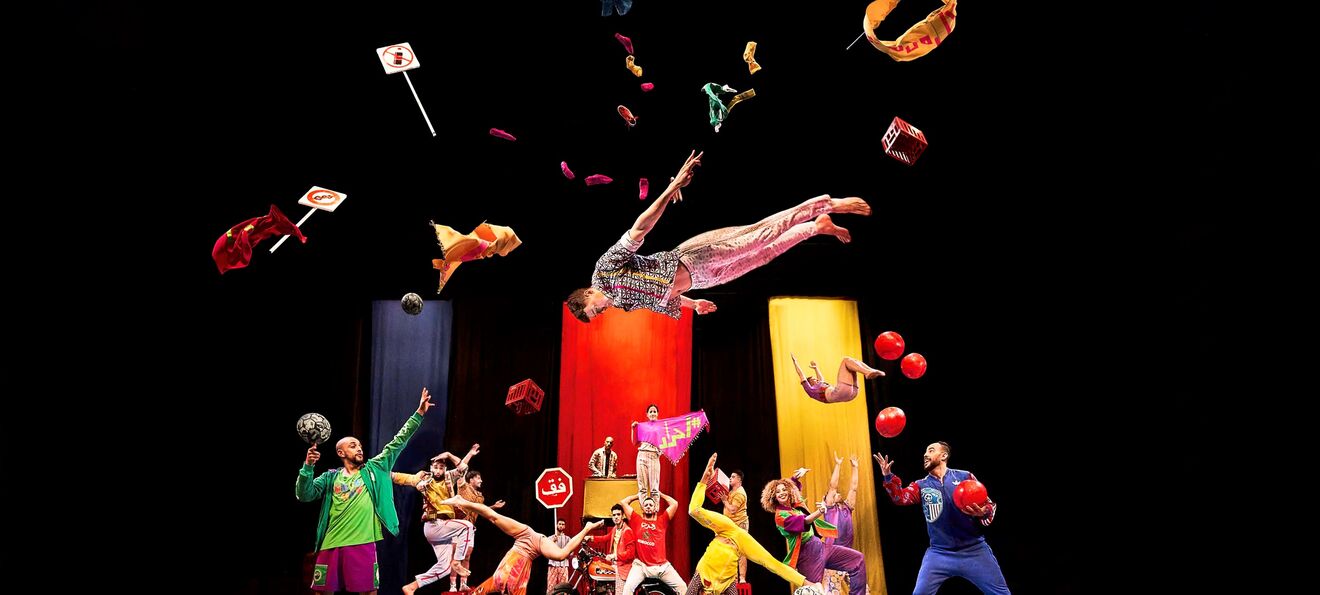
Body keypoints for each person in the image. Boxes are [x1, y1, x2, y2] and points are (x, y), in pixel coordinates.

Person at [566, 150, 872, 322]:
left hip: (694, 258)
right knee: (764, 255)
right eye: (597, 315)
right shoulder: (620, 301)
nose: (601, 312)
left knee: (761, 235)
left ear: (588, 294)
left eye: (595, 310)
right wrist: (694, 304)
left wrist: (671, 188)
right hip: (703, 280)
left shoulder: (605, 268)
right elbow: (662, 296)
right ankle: (816, 227)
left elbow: (640, 228)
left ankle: (827, 204)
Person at [296, 387, 434, 594]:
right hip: (330, 542)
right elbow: (304, 495)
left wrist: (419, 413)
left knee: (368, 592)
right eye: (353, 446)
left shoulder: (375, 468)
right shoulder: (330, 477)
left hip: (362, 542)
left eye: (360, 445)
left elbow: (398, 441)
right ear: (341, 452)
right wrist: (308, 467)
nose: (359, 448)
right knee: (321, 592)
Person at [874, 443, 1010, 595]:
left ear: (944, 456)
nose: (925, 454)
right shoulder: (921, 485)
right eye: (925, 451)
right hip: (939, 553)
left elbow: (989, 505)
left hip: (974, 550)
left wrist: (983, 513)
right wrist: (888, 476)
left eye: (931, 450)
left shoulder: (965, 477)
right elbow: (900, 498)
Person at [689, 453, 823, 595]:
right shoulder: (728, 587)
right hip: (740, 542)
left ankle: (705, 475)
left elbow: (694, 510)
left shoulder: (699, 578)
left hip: (726, 529)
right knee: (772, 563)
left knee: (694, 511)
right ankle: (812, 585)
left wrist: (706, 479)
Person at [441, 495, 603, 595]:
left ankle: (461, 501)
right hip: (532, 545)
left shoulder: (500, 584)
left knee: (494, 517)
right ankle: (587, 528)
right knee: (561, 555)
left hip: (527, 539)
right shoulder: (512, 589)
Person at [391, 444, 481, 595]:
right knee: (467, 526)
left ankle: (411, 587)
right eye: (436, 467)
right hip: (434, 524)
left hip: (444, 529)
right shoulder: (424, 479)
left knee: (445, 568)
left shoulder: (449, 477)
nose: (438, 470)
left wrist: (451, 454)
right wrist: (381, 473)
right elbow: (401, 478)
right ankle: (457, 561)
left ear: (445, 469)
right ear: (431, 468)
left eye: (441, 468)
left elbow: (463, 468)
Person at [761, 468, 868, 595]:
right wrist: (820, 511)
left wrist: (795, 478)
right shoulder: (780, 516)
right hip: (807, 553)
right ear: (773, 497)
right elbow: (804, 521)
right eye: (778, 492)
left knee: (857, 560)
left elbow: (793, 488)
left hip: (820, 546)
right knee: (814, 590)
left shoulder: (795, 505)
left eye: (784, 490)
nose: (782, 493)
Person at [617, 492, 688, 595]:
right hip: (641, 566)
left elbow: (674, 504)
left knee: (683, 587)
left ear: (655, 508)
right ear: (642, 508)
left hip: (662, 567)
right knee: (627, 589)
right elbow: (623, 502)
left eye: (651, 505)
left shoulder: (662, 521)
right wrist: (638, 496)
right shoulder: (636, 520)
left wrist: (660, 494)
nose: (648, 506)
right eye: (646, 505)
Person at [453, 469, 507, 590]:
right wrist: (463, 464)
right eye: (478, 478)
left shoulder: (480, 497)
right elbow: (460, 472)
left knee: (467, 556)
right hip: (458, 526)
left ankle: (463, 584)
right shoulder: (463, 487)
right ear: (471, 479)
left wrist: (494, 507)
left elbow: (481, 511)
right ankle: (452, 585)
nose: (481, 480)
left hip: (470, 528)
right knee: (456, 557)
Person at [584, 504, 636, 595]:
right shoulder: (615, 529)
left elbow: (630, 554)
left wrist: (615, 556)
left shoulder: (627, 531)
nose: (616, 517)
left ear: (623, 516)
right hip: (615, 564)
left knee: (619, 593)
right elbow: (605, 537)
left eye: (618, 514)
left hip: (623, 567)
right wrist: (591, 538)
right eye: (614, 515)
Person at [790, 354, 883, 404]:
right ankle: (867, 372)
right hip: (840, 393)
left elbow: (821, 378)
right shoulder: (810, 390)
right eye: (814, 379)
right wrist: (795, 362)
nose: (816, 380)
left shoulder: (819, 385)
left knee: (853, 362)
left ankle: (870, 371)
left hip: (850, 394)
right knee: (846, 360)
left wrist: (816, 368)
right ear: (809, 383)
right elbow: (801, 375)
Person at [822, 453, 860, 549]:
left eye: (837, 493)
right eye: (834, 494)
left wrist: (855, 468)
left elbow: (853, 488)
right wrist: (838, 465)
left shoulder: (847, 507)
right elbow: (833, 487)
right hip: (832, 549)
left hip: (847, 549)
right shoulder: (830, 509)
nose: (837, 493)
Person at [721, 470, 750, 583]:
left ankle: (742, 577)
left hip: (740, 525)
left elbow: (733, 509)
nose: (730, 478)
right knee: (730, 551)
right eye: (730, 476)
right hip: (731, 525)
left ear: (739, 480)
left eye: (733, 477)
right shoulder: (733, 491)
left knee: (741, 551)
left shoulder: (740, 493)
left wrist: (724, 501)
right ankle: (734, 578)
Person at [631, 405, 662, 502]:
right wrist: (633, 429)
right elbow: (634, 442)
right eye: (650, 412)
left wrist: (659, 451)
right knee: (642, 488)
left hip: (653, 456)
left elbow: (666, 442)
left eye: (654, 411)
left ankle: (654, 510)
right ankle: (644, 509)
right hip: (642, 455)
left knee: (654, 489)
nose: (653, 413)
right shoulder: (642, 427)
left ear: (657, 414)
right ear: (647, 414)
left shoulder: (662, 427)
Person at [546, 519, 572, 593]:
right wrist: (552, 542)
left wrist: (566, 554)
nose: (561, 526)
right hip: (553, 565)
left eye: (563, 524)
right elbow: (546, 550)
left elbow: (571, 552)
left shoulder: (568, 539)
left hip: (563, 565)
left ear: (565, 526)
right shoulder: (550, 538)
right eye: (559, 524)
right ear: (556, 525)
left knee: (564, 586)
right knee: (551, 586)